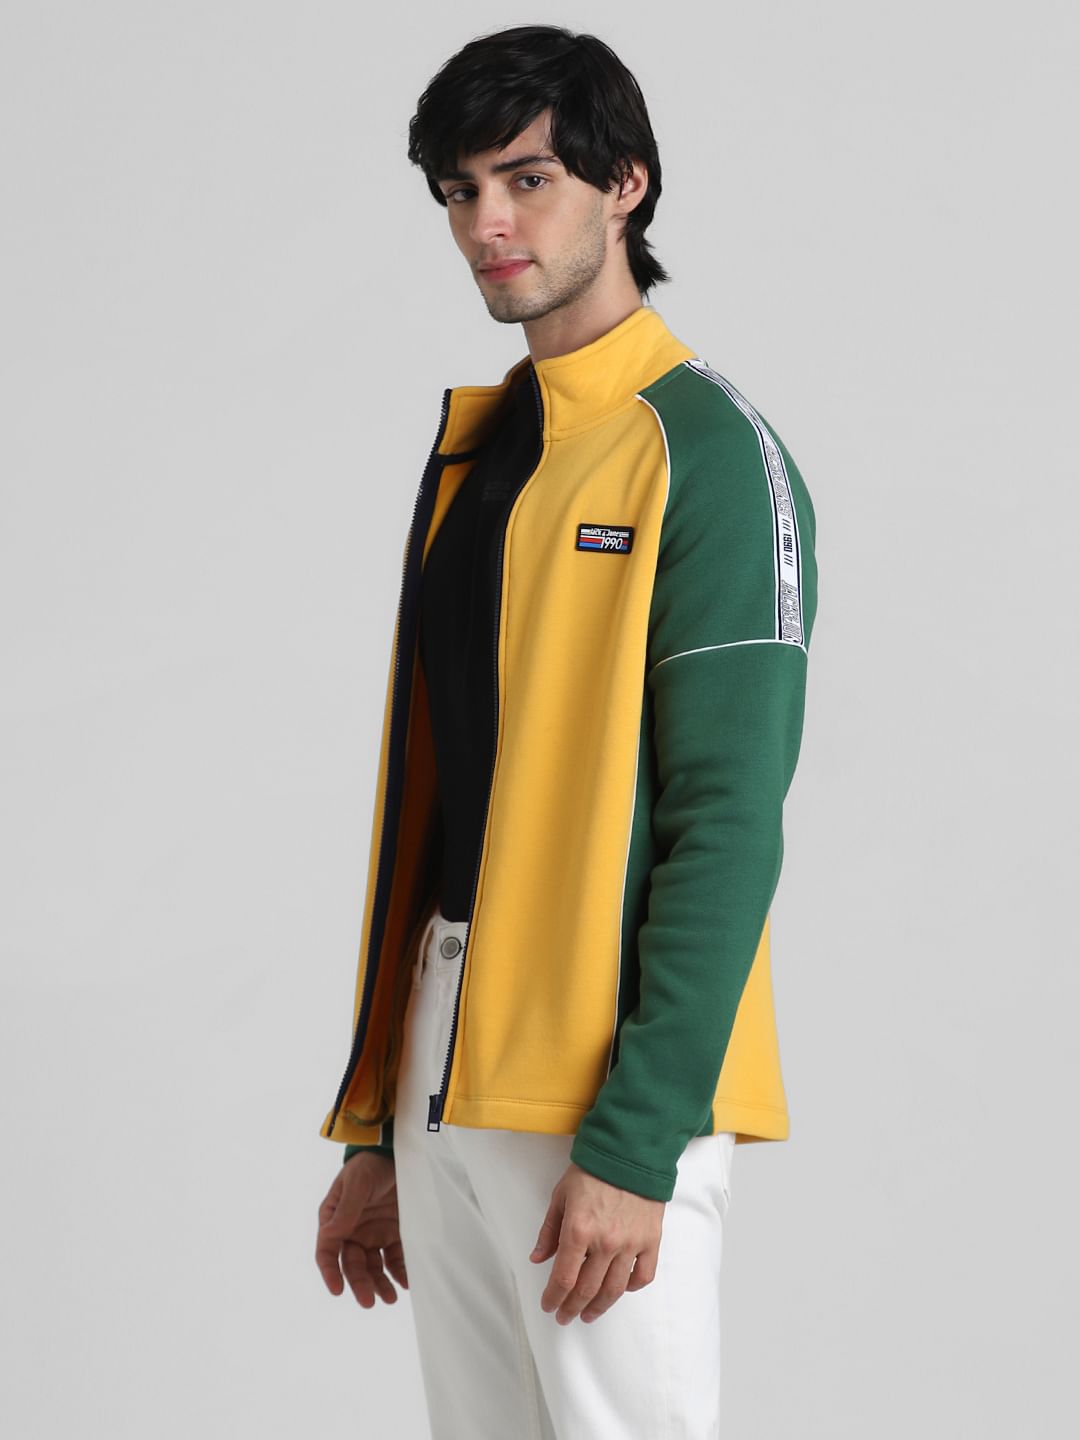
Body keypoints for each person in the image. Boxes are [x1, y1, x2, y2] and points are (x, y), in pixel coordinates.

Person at [314, 23, 819, 1439]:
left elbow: (728, 817)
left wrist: (641, 1137)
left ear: (626, 184)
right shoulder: (486, 455)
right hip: (447, 1046)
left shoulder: (706, 453)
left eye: (527, 179)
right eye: (459, 192)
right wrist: (379, 1124)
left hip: (603, 1082)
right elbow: (448, 796)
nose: (489, 223)